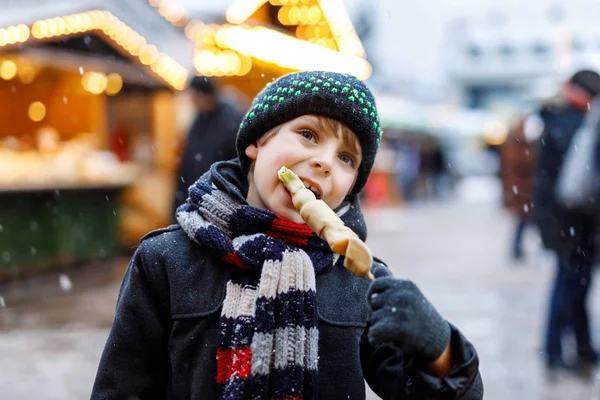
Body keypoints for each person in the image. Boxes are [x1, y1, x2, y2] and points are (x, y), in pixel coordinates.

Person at [92, 71, 483, 399]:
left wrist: (440, 348)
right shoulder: (165, 260)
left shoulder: (360, 278)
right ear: (257, 143)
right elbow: (122, 388)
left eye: (347, 158)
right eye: (309, 134)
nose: (324, 161)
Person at [533, 69, 600, 375]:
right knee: (569, 287)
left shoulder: (555, 120)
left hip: (566, 223)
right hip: (575, 224)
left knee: (573, 287)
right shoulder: (579, 123)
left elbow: (544, 181)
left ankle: (578, 349)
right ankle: (556, 351)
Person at [172, 76, 244, 220]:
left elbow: (235, 163)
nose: (192, 102)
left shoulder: (231, 120)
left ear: (202, 95)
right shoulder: (201, 117)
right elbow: (189, 160)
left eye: (194, 97)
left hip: (219, 202)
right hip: (197, 195)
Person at [500, 114, 539, 261]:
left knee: (524, 221)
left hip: (522, 189)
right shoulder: (516, 145)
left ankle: (518, 249)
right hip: (521, 190)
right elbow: (520, 163)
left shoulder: (519, 144)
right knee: (523, 221)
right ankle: (517, 250)